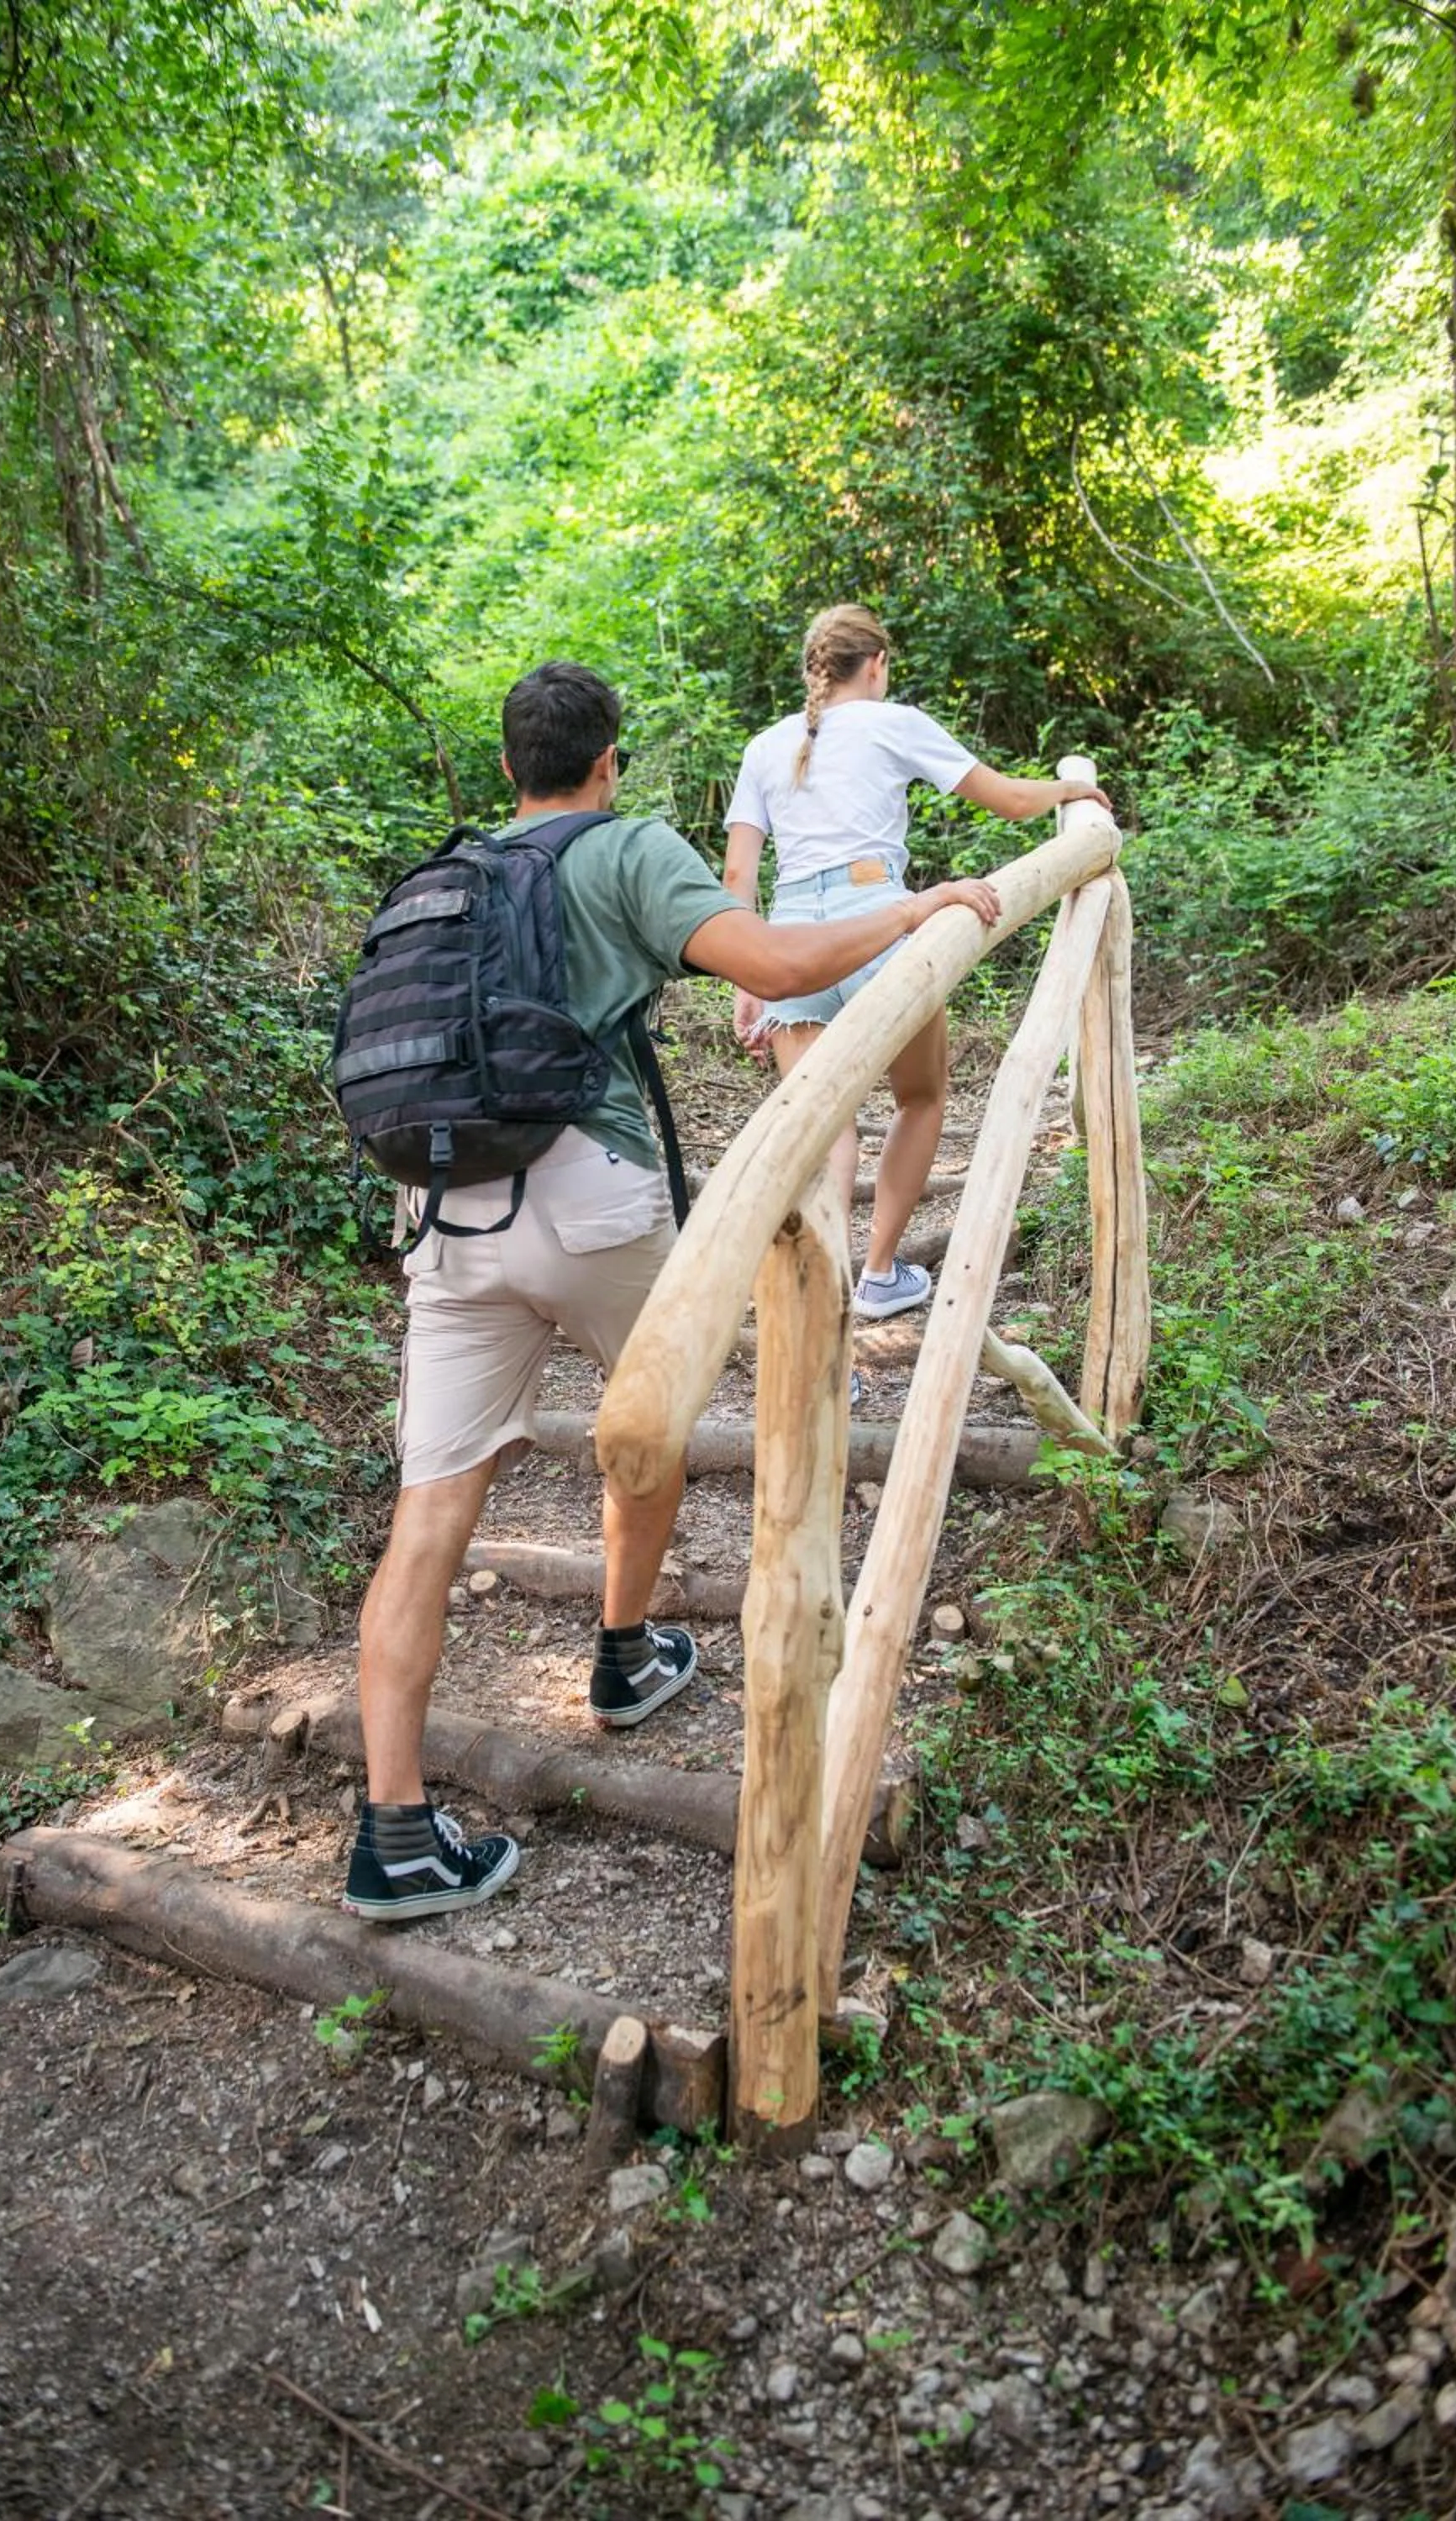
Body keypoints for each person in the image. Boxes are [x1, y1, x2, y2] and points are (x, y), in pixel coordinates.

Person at [342, 660, 1002, 1924]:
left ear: (506, 769)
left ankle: (393, 1834)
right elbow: (773, 953)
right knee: (647, 1422)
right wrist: (913, 910)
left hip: (441, 1207)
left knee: (426, 1519)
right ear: (606, 763)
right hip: (588, 1194)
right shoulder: (626, 848)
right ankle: (624, 1649)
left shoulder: (451, 870)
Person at [723, 603, 1112, 1320]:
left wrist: (748, 977)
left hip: (788, 942)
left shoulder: (762, 747)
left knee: (823, 1126)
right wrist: (1071, 790)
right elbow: (1009, 801)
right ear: (875, 665)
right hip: (876, 925)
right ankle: (877, 1275)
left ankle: (821, 1314)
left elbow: (737, 880)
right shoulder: (894, 721)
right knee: (922, 1096)